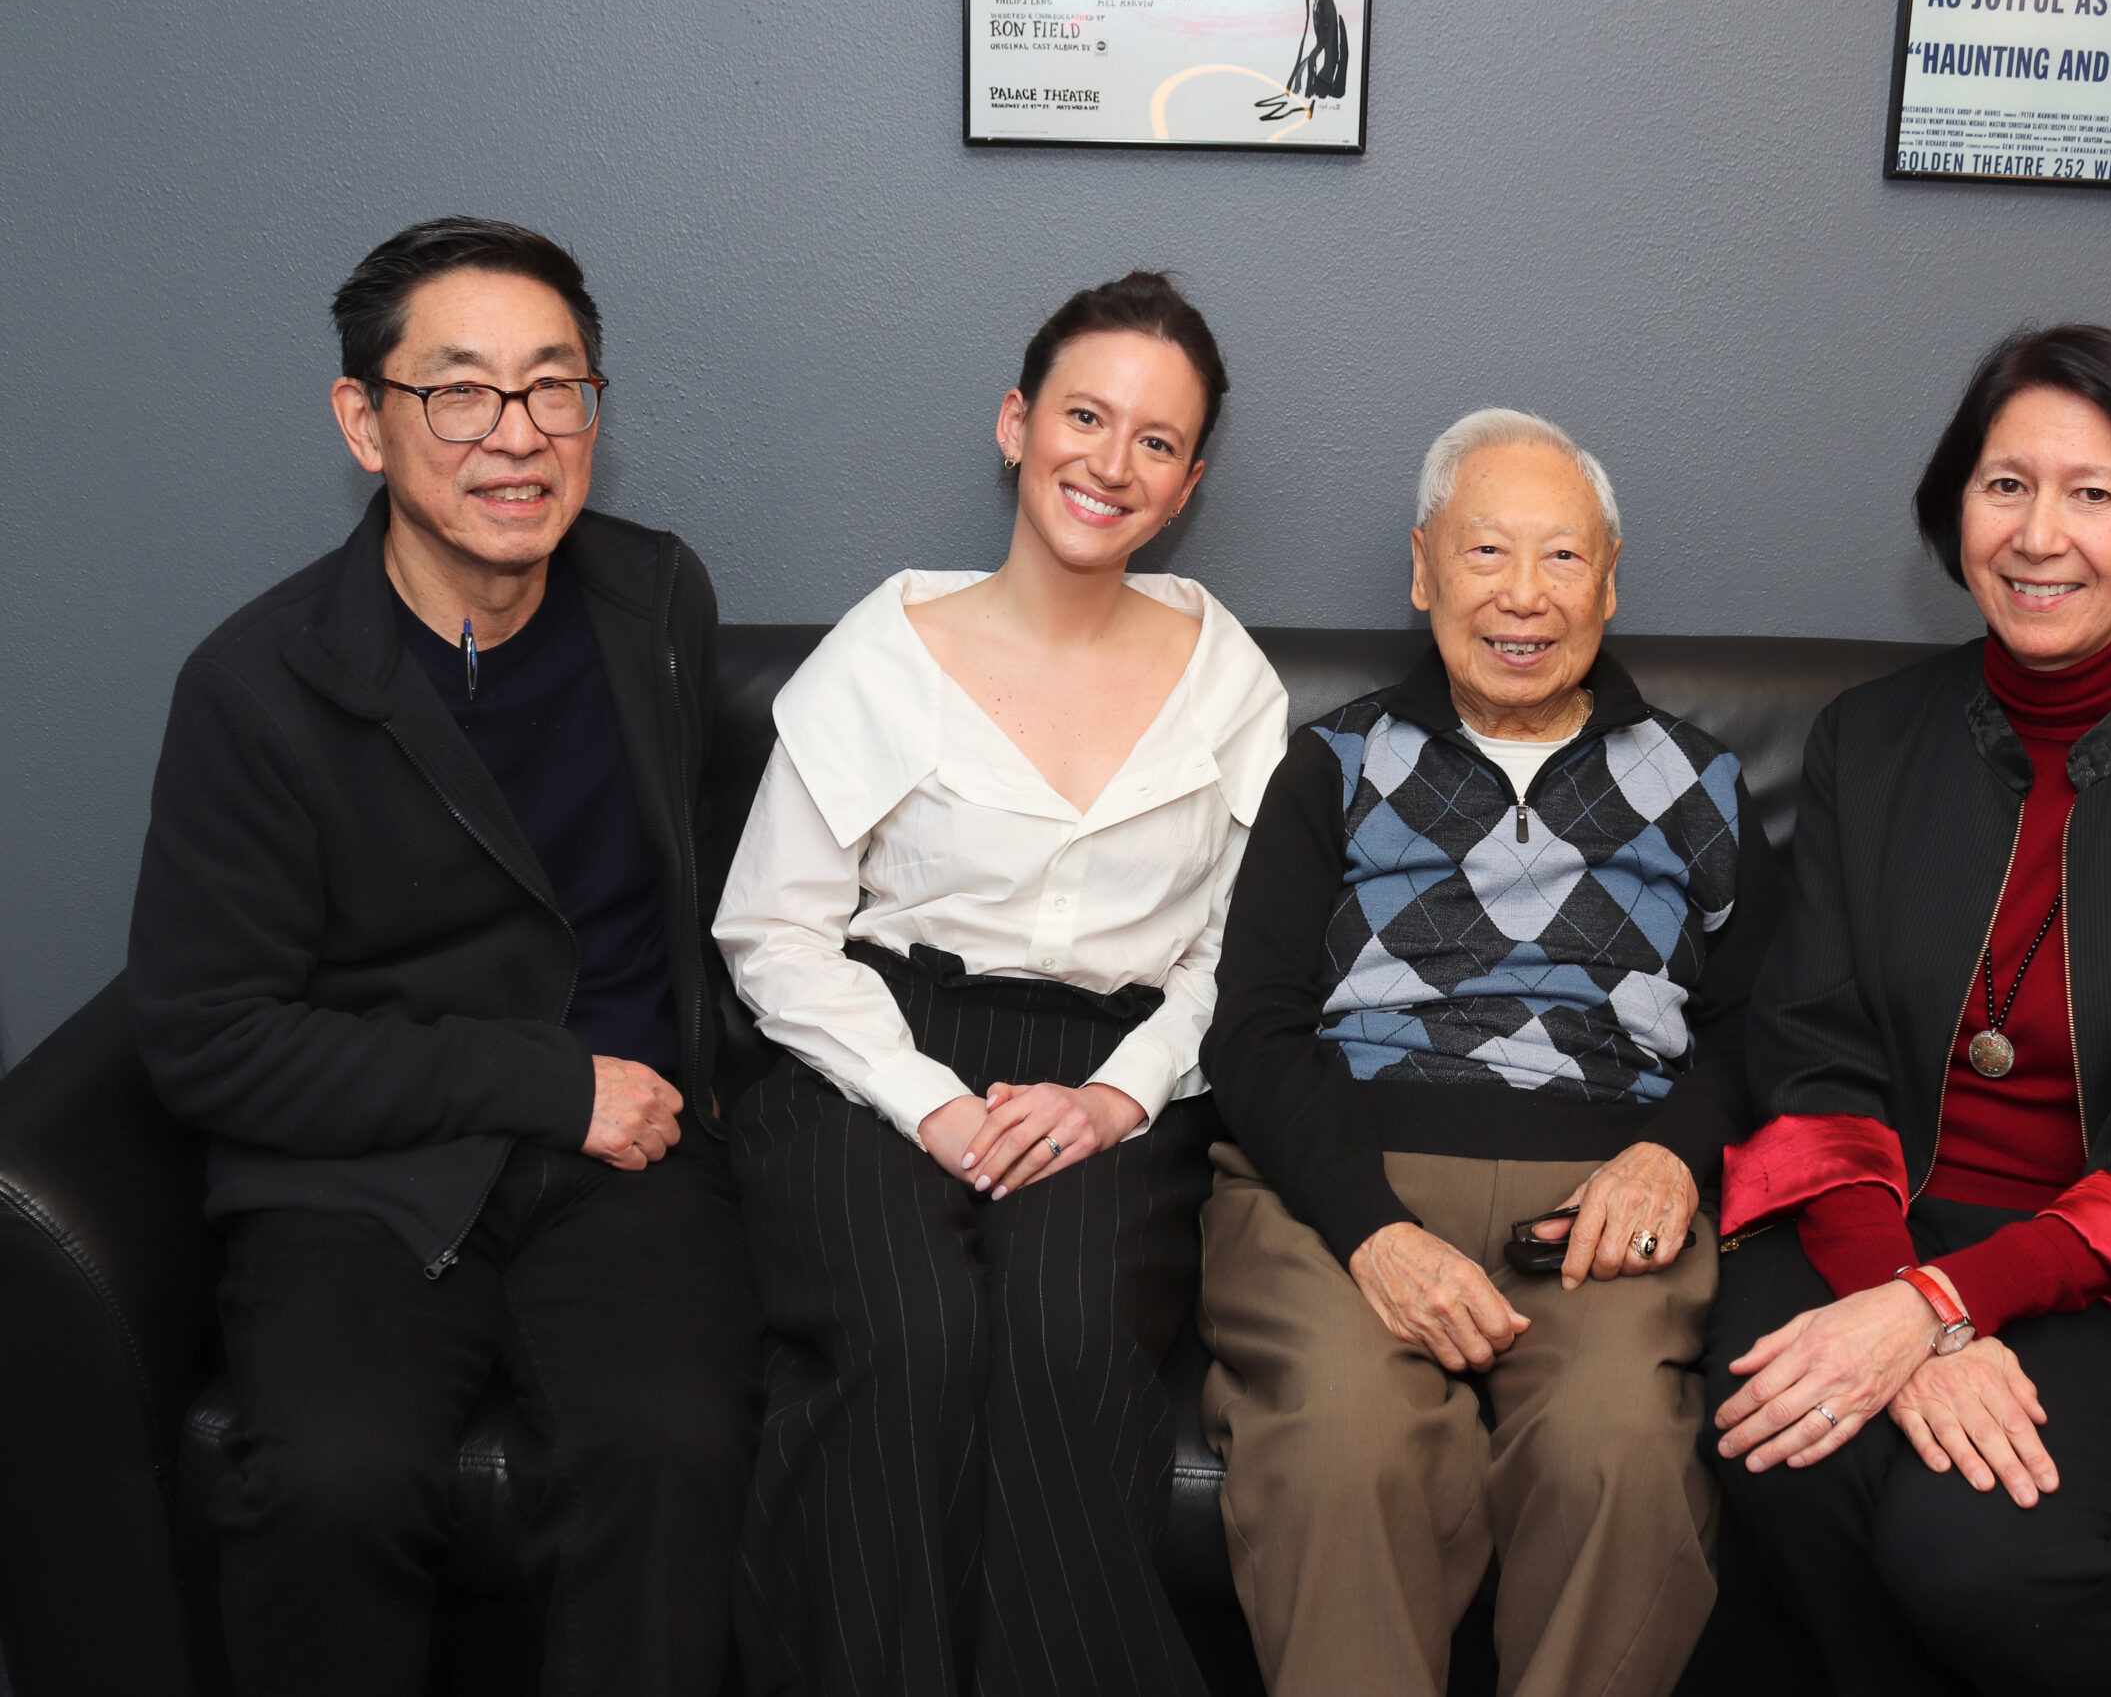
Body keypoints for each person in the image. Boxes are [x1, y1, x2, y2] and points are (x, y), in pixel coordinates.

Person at [125, 218, 761, 1697]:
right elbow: (209, 1035)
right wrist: (543, 1082)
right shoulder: (257, 681)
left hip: (628, 1155)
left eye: (556, 388)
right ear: (366, 420)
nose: (518, 436)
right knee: (331, 1483)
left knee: (671, 1447)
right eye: (459, 392)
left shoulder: (656, 600)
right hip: (363, 1171)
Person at [1707, 324, 2111, 1695]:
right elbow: (1814, 1048)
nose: (2039, 534)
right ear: (1956, 514)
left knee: (1973, 1546)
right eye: (2005, 486)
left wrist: (1940, 1307)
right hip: (1880, 1205)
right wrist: (1901, 1291)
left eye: (2094, 493)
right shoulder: (1868, 742)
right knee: (1782, 1453)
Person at [714, 271, 1287, 1697]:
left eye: (1157, 441)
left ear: (1191, 479)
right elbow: (771, 928)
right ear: (1016, 424)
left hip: (1113, 1080)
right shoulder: (888, 645)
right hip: (872, 1053)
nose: (1112, 461)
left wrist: (1113, 1098)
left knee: (1064, 1340)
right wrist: (928, 1103)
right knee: (910, 1337)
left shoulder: (1230, 680)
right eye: (1085, 416)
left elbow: (1246, 957)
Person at [1198, 409, 1777, 1697]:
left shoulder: (1700, 783)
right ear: (1423, 571)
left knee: (1618, 1446)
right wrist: (1370, 1228)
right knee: (1346, 1444)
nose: (1524, 596)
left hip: (1606, 1189)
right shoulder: (1334, 764)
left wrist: (1671, 1160)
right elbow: (1254, 1026)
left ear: (1610, 581)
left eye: (1563, 559)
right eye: (1486, 554)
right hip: (1351, 1175)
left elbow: (1758, 1027)